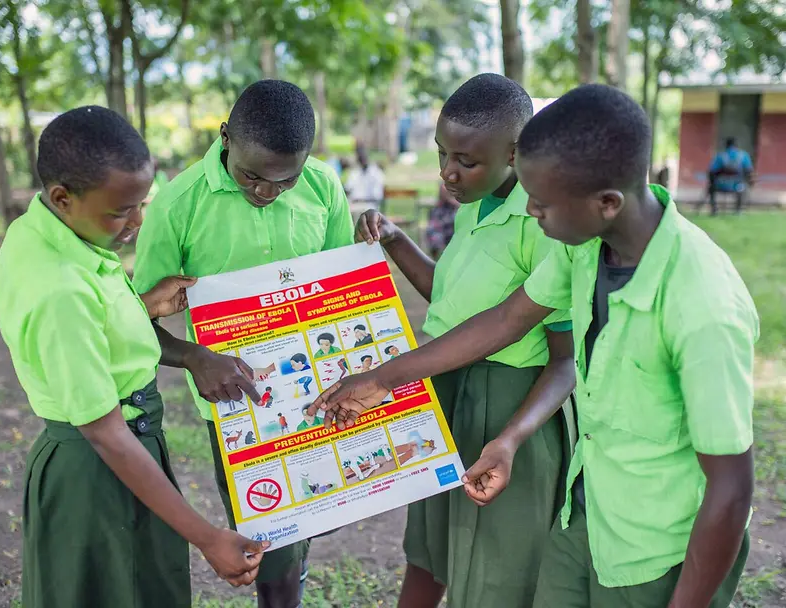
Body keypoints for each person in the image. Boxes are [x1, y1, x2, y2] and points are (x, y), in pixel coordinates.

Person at [314, 84, 758, 608]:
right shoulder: (586, 247)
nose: (531, 213)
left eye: (542, 205)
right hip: (586, 512)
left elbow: (731, 490)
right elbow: (507, 318)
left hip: (657, 547)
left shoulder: (703, 305)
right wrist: (382, 380)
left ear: (607, 203)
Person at [0, 107, 267, 608]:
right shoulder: (59, 289)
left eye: (142, 204)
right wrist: (208, 538)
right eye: (121, 211)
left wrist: (139, 308)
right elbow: (107, 434)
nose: (137, 223)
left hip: (119, 457)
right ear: (63, 197)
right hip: (98, 472)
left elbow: (94, 329)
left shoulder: (45, 229)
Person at [351, 73, 575, 608]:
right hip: (446, 392)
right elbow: (454, 303)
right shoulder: (475, 203)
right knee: (431, 548)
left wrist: (512, 437)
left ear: (514, 154)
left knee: (496, 572)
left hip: (509, 408)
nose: (447, 173)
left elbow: (564, 361)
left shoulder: (542, 222)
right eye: (442, 153)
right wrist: (396, 241)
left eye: (465, 161)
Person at [133, 79, 353, 607]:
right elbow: (135, 319)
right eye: (252, 176)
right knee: (269, 539)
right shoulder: (178, 205)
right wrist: (193, 357)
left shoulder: (324, 186)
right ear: (225, 137)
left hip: (320, 388)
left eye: (285, 179)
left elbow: (344, 288)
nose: (266, 192)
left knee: (311, 520)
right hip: (235, 405)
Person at [707, 137, 754, 215]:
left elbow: (711, 172)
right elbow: (749, 171)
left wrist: (712, 182)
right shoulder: (744, 156)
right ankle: (738, 210)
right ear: (737, 146)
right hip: (738, 186)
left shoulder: (720, 156)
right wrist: (749, 182)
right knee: (743, 187)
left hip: (720, 185)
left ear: (726, 145)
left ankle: (714, 210)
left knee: (711, 188)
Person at [344, 146, 385, 211]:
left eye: (363, 156)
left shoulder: (376, 173)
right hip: (354, 204)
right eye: (360, 157)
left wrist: (361, 201)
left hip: (370, 206)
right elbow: (348, 188)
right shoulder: (355, 172)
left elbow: (377, 197)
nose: (362, 159)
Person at [425, 182, 460, 259]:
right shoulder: (438, 206)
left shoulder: (458, 201)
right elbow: (434, 215)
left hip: (451, 225)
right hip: (440, 225)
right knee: (432, 231)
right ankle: (434, 256)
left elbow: (458, 211)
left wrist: (450, 200)